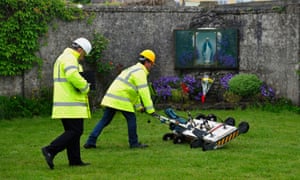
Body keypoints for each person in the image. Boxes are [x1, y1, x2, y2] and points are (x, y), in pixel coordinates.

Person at [84, 49, 157, 149]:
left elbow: (133, 92)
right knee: (131, 119)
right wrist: (151, 110)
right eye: (152, 64)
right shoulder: (140, 73)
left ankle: (90, 141)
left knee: (105, 120)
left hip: (112, 97)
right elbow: (144, 92)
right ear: (147, 62)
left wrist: (139, 107)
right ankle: (134, 143)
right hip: (121, 98)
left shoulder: (132, 69)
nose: (151, 67)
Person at [41, 37, 92, 169]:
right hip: (71, 102)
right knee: (75, 131)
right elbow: (72, 75)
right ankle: (50, 150)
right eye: (84, 54)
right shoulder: (69, 58)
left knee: (72, 131)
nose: (83, 58)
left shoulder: (63, 57)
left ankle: (75, 160)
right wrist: (85, 86)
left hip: (65, 102)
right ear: (80, 50)